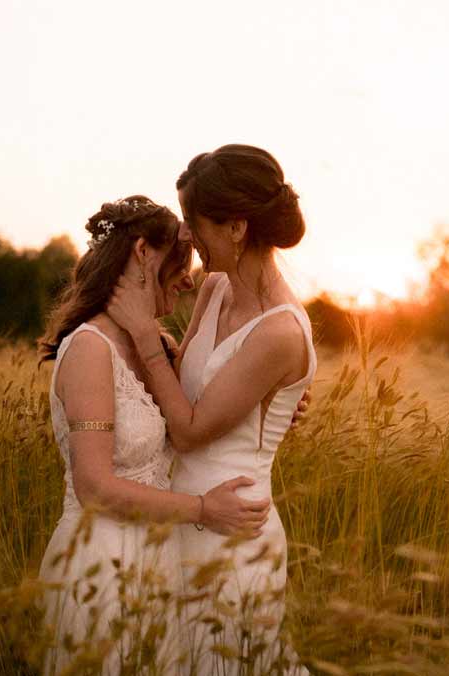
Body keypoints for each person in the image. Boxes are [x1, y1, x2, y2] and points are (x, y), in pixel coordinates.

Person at [36, 195, 271, 675]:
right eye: (180, 259)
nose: (189, 277)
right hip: (99, 564)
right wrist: (205, 511)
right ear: (143, 253)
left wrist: (271, 400)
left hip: (158, 563)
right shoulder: (89, 349)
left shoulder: (157, 347)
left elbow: (202, 413)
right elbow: (94, 487)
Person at [106, 145, 316, 674]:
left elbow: (192, 428)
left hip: (233, 531)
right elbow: (179, 389)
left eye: (193, 222)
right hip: (182, 517)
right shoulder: (216, 288)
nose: (185, 236)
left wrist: (142, 334)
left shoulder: (279, 331)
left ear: (236, 227)